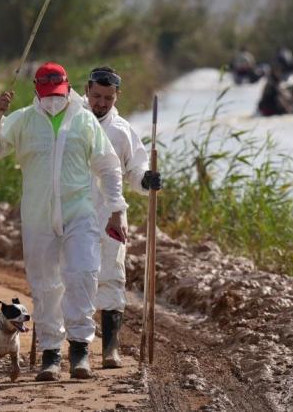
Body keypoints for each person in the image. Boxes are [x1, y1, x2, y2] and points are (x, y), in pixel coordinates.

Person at [0, 62, 127, 381]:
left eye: (58, 93)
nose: (53, 100)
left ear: (68, 88)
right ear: (36, 91)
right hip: (38, 216)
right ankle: (51, 354)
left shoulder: (84, 120)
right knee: (45, 285)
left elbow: (109, 166)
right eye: (47, 94)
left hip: (79, 212)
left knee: (83, 274)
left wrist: (115, 207)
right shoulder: (23, 120)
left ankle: (80, 350)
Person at [83, 67, 162, 368]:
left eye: (108, 98)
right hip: (73, 211)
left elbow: (136, 170)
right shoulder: (71, 122)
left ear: (117, 96)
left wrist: (146, 181)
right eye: (96, 96)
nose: (101, 103)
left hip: (112, 215)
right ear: (87, 90)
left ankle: (110, 349)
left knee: (112, 277)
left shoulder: (123, 130)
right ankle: (77, 350)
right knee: (75, 279)